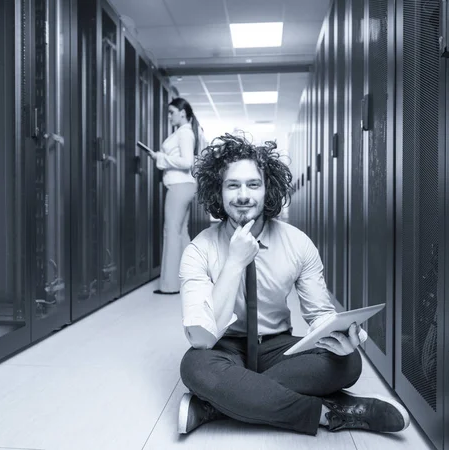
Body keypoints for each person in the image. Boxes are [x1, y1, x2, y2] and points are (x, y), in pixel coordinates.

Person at [176, 134, 410, 436]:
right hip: (225, 347)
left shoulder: (297, 243)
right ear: (218, 192)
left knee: (348, 362)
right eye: (232, 185)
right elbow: (202, 339)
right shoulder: (199, 249)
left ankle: (216, 404)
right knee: (195, 366)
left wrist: (342, 336)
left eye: (253, 184)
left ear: (267, 189)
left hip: (277, 347)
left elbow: (320, 316)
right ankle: (331, 412)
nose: (243, 195)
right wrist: (234, 263)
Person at [145, 97, 205, 294]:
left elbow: (187, 162)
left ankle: (170, 286)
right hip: (185, 187)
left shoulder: (184, 133)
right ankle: (189, 280)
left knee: (171, 233)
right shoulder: (184, 132)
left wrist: (160, 157)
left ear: (182, 112)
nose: (169, 116)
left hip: (179, 187)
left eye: (171, 112)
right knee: (181, 233)